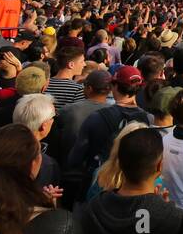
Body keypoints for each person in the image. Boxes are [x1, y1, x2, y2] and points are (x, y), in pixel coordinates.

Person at [65, 65, 152, 207]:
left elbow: (75, 158)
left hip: (98, 185)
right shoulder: (147, 119)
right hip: (130, 188)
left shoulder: (97, 117)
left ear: (114, 86)